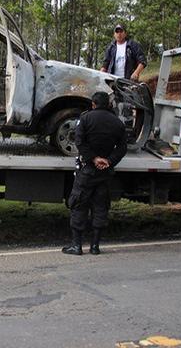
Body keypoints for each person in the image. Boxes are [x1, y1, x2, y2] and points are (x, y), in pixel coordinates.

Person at [63, 91, 127, 255]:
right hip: (105, 172)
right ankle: (95, 246)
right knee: (100, 207)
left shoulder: (85, 118)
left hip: (87, 170)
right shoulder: (117, 123)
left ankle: (77, 246)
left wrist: (93, 158)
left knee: (79, 205)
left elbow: (79, 142)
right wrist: (109, 161)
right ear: (108, 104)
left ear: (93, 103)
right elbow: (122, 148)